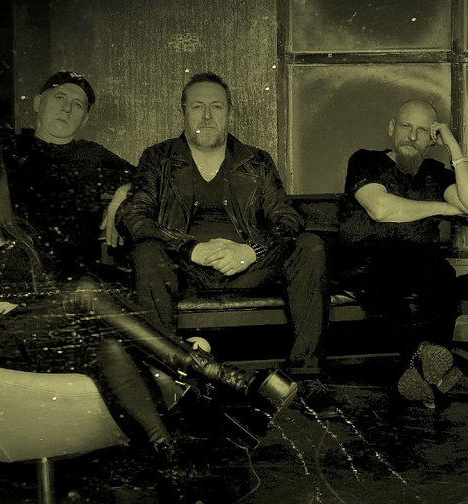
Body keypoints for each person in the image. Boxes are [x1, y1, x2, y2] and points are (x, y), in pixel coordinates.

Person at [0, 120, 299, 504]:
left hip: (31, 347)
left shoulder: (14, 235)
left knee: (105, 342)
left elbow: (48, 298)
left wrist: (23, 305)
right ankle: (220, 376)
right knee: (85, 291)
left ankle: (179, 484)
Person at [118, 72, 327, 374]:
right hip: (184, 269)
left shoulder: (255, 161)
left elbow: (288, 218)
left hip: (247, 267)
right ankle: (165, 371)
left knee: (310, 246)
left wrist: (250, 251)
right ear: (183, 111)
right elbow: (134, 216)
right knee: (147, 252)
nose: (206, 116)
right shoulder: (158, 158)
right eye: (197, 106)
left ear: (229, 112)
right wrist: (190, 248)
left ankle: (306, 373)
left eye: (216, 106)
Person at [337, 98, 468, 408]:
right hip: (369, 260)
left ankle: (422, 369)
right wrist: (441, 207)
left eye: (423, 131)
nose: (412, 136)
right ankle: (427, 364)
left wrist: (454, 147)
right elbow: (381, 209)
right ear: (392, 127)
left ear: (432, 139)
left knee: (442, 275)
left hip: (420, 262)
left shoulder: (435, 172)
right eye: (406, 126)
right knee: (389, 275)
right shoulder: (365, 160)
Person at [6, 71, 135, 283]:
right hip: (17, 273)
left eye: (78, 104)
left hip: (77, 280)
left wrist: (122, 194)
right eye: (60, 97)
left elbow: (149, 177)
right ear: (38, 103)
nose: (67, 109)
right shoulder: (8, 150)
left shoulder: (92, 155)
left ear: (84, 120)